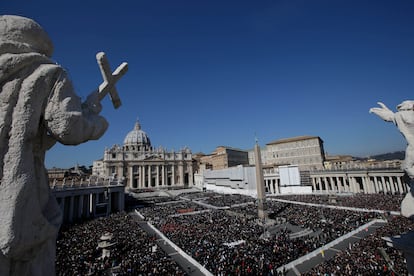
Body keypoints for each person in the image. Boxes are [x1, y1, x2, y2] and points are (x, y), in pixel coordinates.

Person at [0, 15, 110, 275]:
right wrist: (96, 119)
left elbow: (29, 134)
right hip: (18, 190)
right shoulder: (45, 72)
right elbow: (69, 128)